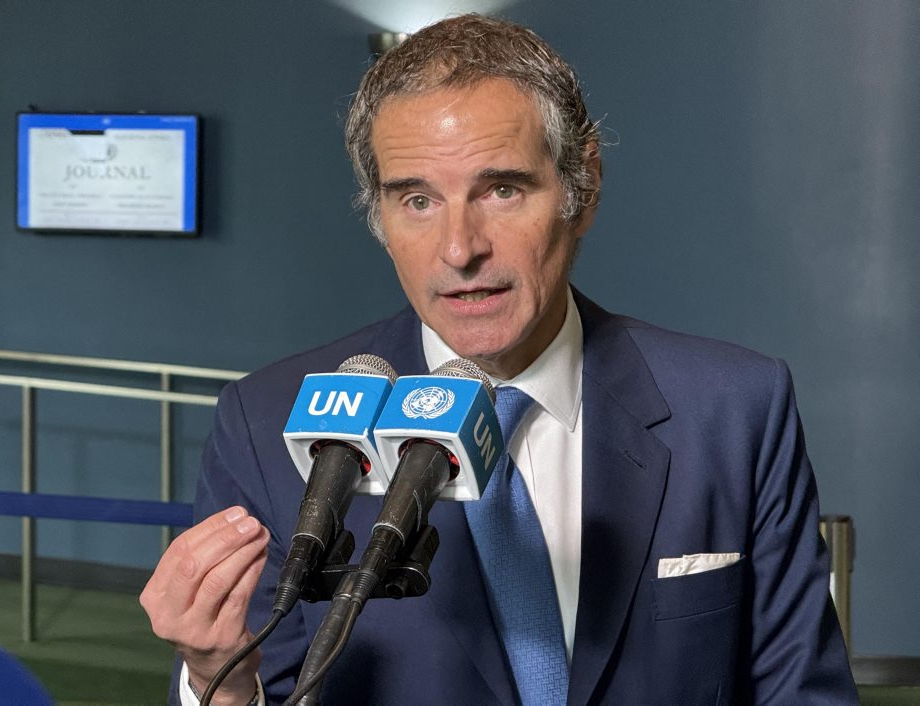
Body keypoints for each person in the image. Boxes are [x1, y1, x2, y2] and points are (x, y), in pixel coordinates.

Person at [140, 14, 858, 705]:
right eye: (417, 201)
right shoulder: (268, 425)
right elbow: (266, 685)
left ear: (583, 186)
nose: (460, 250)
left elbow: (800, 691)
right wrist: (218, 680)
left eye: (502, 190)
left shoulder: (734, 408)